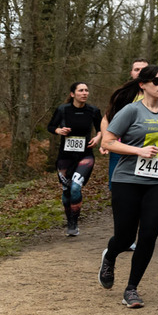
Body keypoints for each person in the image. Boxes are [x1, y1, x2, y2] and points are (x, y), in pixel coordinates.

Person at [98, 64, 158, 307]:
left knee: (149, 234)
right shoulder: (130, 111)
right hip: (127, 180)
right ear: (142, 85)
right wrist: (138, 151)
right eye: (156, 81)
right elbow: (108, 142)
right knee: (124, 238)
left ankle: (132, 288)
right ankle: (110, 255)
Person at [48, 82, 102, 236]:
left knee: (76, 187)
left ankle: (74, 223)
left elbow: (101, 129)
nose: (84, 93)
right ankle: (69, 221)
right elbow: (51, 127)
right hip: (65, 156)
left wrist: (97, 138)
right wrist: (59, 130)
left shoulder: (93, 110)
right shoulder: (63, 109)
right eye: (81, 90)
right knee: (66, 190)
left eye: (86, 90)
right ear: (73, 94)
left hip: (85, 155)